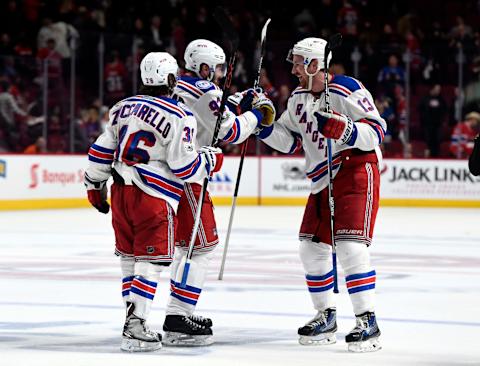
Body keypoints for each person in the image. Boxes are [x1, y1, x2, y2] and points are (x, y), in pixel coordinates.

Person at [83, 52, 224, 352]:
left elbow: (100, 151)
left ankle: (133, 319)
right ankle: (135, 327)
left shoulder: (121, 108)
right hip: (153, 195)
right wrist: (210, 160)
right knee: (150, 262)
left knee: (129, 260)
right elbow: (184, 167)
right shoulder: (179, 114)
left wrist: (94, 185)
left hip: (120, 192)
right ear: (171, 79)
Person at [257, 38, 386, 352]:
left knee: (350, 246)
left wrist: (345, 130)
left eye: (299, 62)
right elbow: (289, 141)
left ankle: (367, 320)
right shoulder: (298, 99)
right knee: (310, 249)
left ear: (315, 64)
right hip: (321, 179)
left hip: (355, 167)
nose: (294, 69)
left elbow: (377, 129)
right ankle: (325, 315)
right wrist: (261, 125)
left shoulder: (347, 89)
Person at [162, 39, 274, 346]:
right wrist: (254, 114)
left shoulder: (177, 85)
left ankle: (177, 311)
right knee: (201, 247)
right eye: (217, 67)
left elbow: (208, 113)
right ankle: (177, 315)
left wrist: (237, 100)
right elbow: (230, 131)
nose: (220, 73)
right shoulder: (205, 90)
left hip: (168, 174)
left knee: (188, 246)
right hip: (189, 174)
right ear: (203, 66)